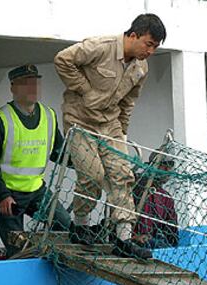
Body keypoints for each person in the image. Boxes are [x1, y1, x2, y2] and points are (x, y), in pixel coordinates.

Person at [54, 14, 166, 259]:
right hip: (80, 120)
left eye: (155, 47)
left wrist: (122, 132)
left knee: (123, 175)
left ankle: (123, 238)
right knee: (92, 175)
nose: (150, 51)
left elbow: (129, 102)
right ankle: (81, 225)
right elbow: (63, 60)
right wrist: (84, 90)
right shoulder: (100, 47)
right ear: (133, 35)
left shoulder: (140, 68)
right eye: (148, 44)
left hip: (111, 125)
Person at [0, 64, 71, 258]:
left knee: (63, 223)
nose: (33, 88)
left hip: (37, 190)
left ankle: (49, 257)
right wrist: (2, 195)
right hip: (8, 194)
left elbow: (58, 152)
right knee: (18, 249)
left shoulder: (49, 115)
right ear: (13, 88)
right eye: (26, 84)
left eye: (36, 83)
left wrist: (84, 162)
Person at [132, 152, 178, 249]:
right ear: (153, 166)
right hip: (131, 240)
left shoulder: (166, 198)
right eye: (164, 167)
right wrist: (134, 237)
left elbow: (171, 232)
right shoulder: (135, 186)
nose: (167, 171)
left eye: (169, 168)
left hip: (152, 242)